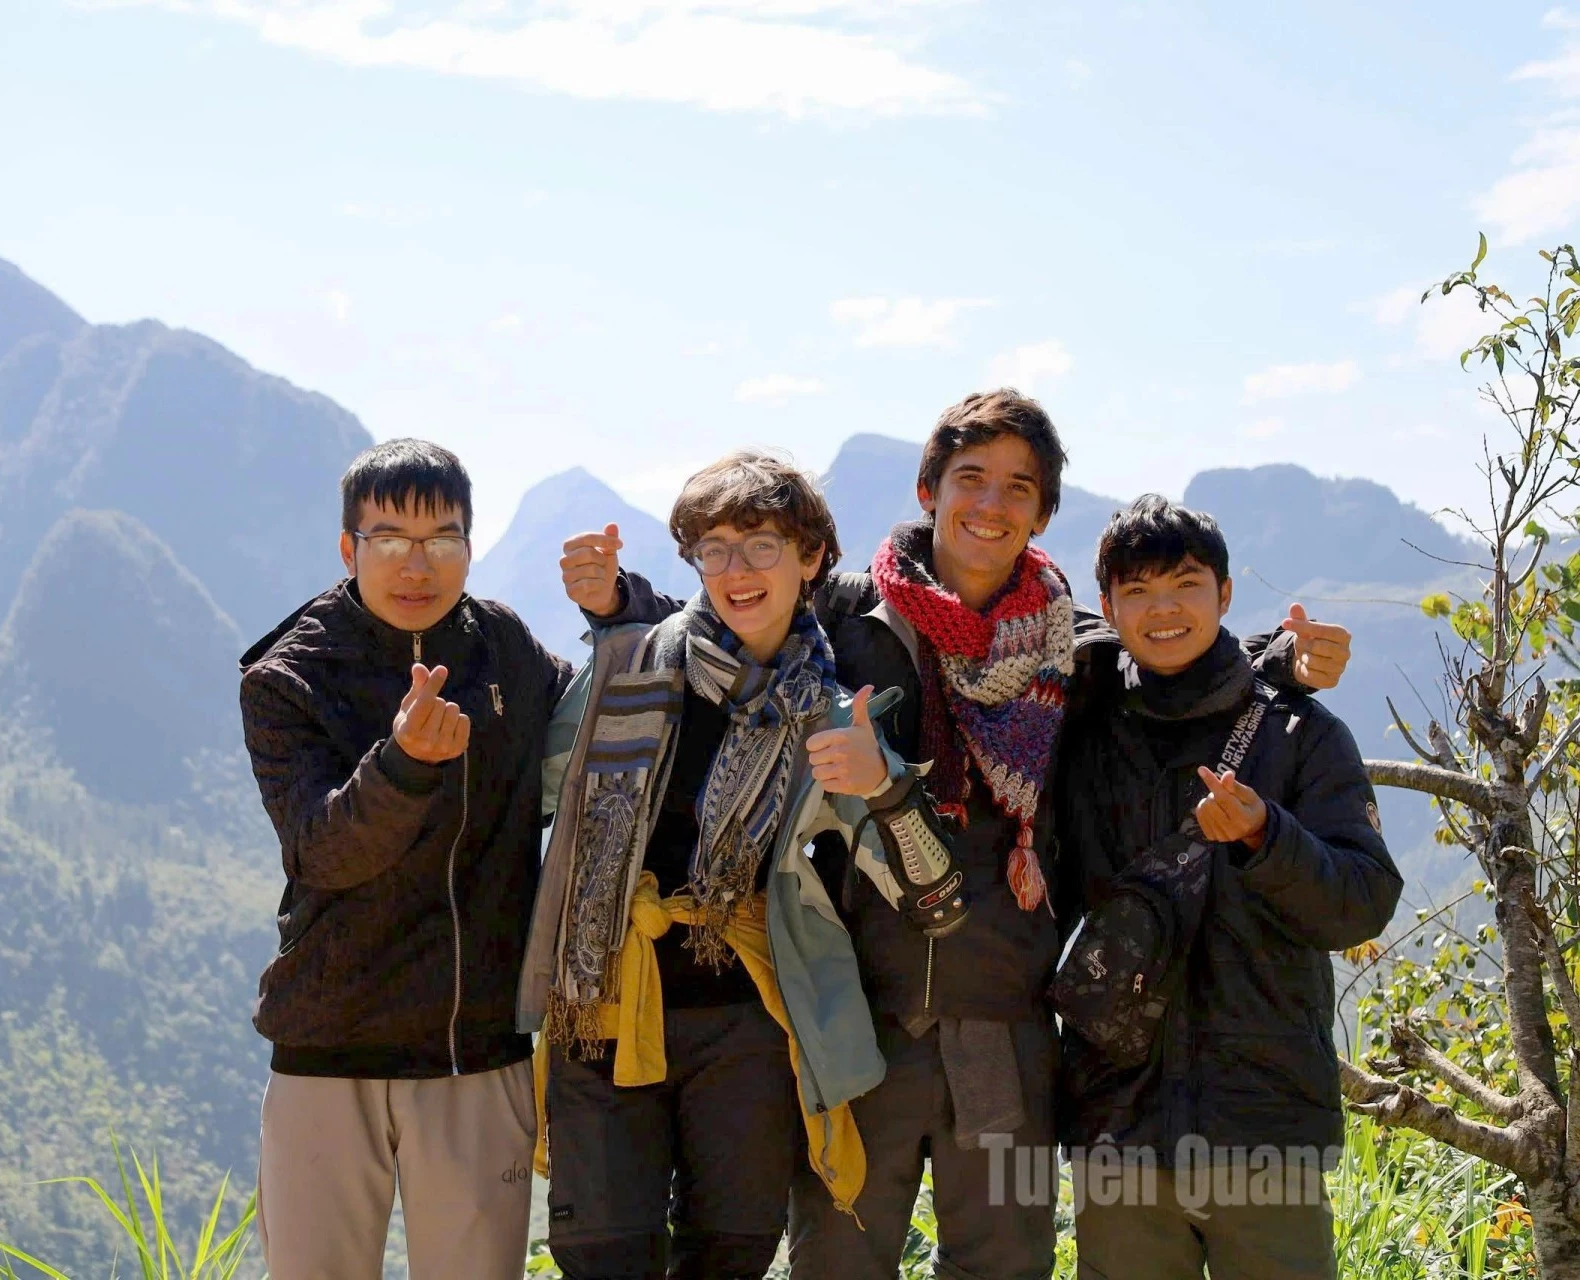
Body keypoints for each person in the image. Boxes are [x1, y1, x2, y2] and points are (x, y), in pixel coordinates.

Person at [560, 389, 1354, 1280]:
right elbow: (736, 606)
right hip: (860, 1019)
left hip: (1008, 1021)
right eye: (970, 477)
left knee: (1002, 1267)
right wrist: (619, 599)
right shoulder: (853, 620)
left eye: (1019, 487)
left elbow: (1172, 652)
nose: (991, 503)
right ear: (927, 490)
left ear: (1043, 513)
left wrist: (1279, 661)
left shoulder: (1072, 650)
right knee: (837, 1265)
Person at [517, 451, 950, 1280]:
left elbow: (933, 894)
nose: (736, 570)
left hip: (746, 1027)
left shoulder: (828, 715)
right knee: (603, 1259)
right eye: (713, 549)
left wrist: (883, 785)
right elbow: (533, 794)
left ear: (811, 558)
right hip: (604, 1002)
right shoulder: (627, 666)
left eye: (761, 546)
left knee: (730, 1258)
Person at [239, 439, 574, 1280]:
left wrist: (619, 607)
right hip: (329, 1049)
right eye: (389, 539)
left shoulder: (504, 648)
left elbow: (604, 720)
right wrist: (403, 766)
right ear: (348, 547)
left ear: (470, 544)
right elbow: (321, 850)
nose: (416, 564)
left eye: (441, 539)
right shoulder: (290, 678)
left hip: (476, 1049)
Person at [1055, 495, 1401, 1280]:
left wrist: (1266, 837)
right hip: (1119, 1126)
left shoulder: (1300, 734)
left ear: (1225, 593)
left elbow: (1363, 902)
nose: (1164, 609)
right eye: (1138, 590)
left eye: (1185, 584)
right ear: (1108, 605)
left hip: (1264, 1126)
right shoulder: (1084, 733)